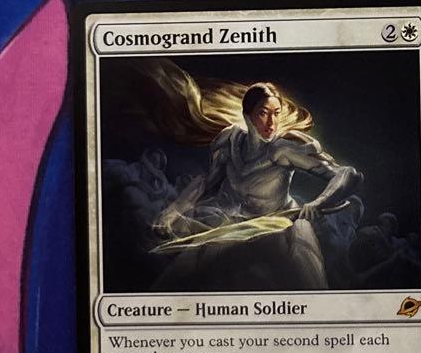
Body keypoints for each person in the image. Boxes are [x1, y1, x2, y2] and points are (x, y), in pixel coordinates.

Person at [152, 81, 362, 290]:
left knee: (307, 274)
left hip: (280, 228)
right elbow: (209, 181)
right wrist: (174, 210)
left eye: (276, 113)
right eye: (263, 113)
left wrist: (318, 202)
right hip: (235, 228)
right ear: (247, 115)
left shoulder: (283, 151)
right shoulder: (229, 141)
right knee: (179, 276)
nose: (271, 122)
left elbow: (348, 174)